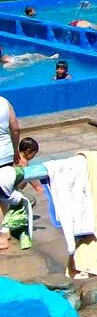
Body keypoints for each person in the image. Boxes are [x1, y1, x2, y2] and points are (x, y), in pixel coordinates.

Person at [0, 96, 24, 250]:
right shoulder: (4, 102)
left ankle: (3, 235)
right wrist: (15, 149)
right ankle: (5, 230)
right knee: (3, 191)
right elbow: (15, 128)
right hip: (6, 153)